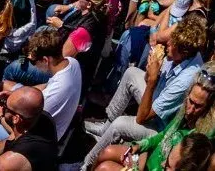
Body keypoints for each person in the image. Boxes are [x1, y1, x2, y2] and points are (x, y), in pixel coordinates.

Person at [82, 15, 207, 169]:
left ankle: (86, 164)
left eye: (172, 43)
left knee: (120, 124)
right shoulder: (176, 56)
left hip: (160, 126)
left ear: (183, 51)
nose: (167, 43)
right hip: (155, 99)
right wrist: (150, 73)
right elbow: (149, 83)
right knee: (131, 73)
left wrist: (153, 79)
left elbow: (143, 117)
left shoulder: (186, 79)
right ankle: (104, 129)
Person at [94, 64, 215, 171]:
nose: (191, 109)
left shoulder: (202, 138)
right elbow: (163, 136)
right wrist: (139, 146)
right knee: (106, 152)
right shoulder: (183, 114)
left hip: (152, 167)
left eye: (198, 106)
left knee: (104, 168)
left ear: (208, 107)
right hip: (146, 159)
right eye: (190, 101)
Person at [0, 86, 58, 171]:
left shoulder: (8, 162)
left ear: (16, 118)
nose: (3, 105)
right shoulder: (44, 118)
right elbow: (14, 134)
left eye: (5, 107)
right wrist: (14, 98)